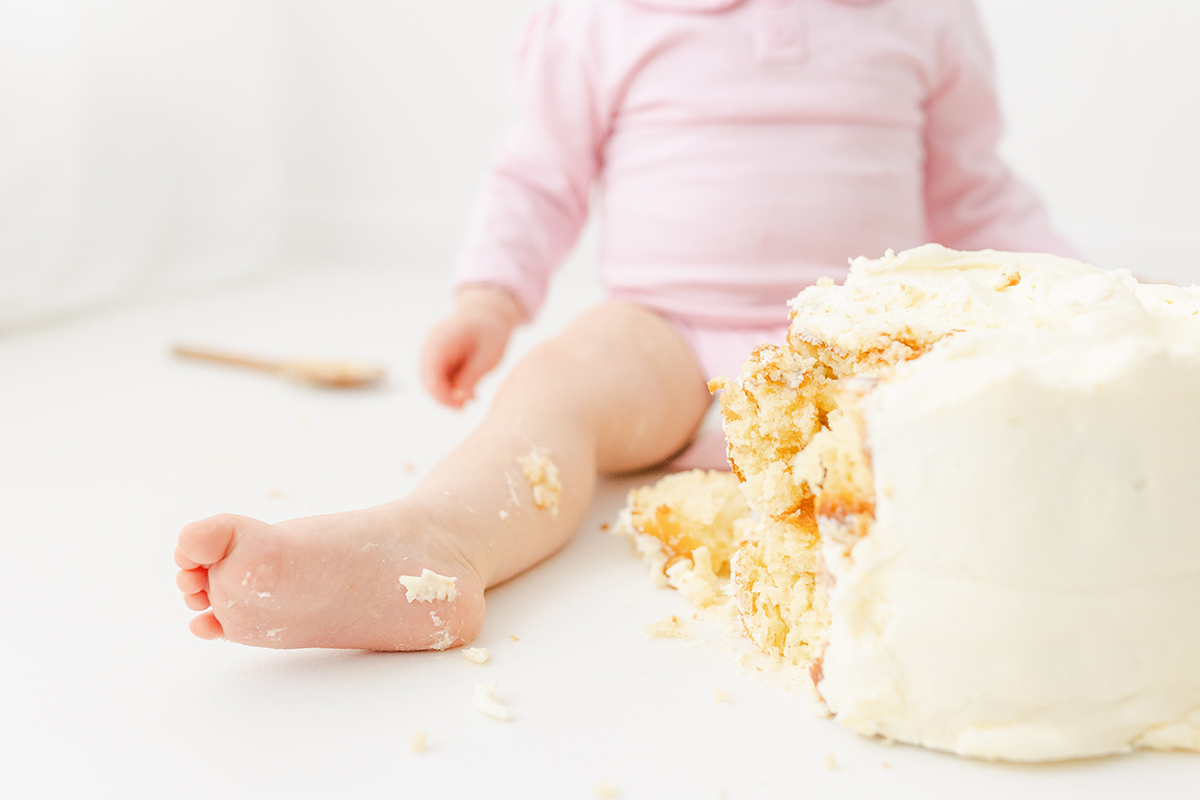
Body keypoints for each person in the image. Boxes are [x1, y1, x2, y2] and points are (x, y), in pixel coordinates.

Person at [173, 0, 1074, 651]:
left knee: (991, 408)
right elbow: (541, 173)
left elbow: (975, 191)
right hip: (663, 339)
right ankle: (433, 543)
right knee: (554, 390)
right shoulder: (603, 18)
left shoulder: (923, 16)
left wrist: (1081, 298)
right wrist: (492, 294)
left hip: (856, 340)